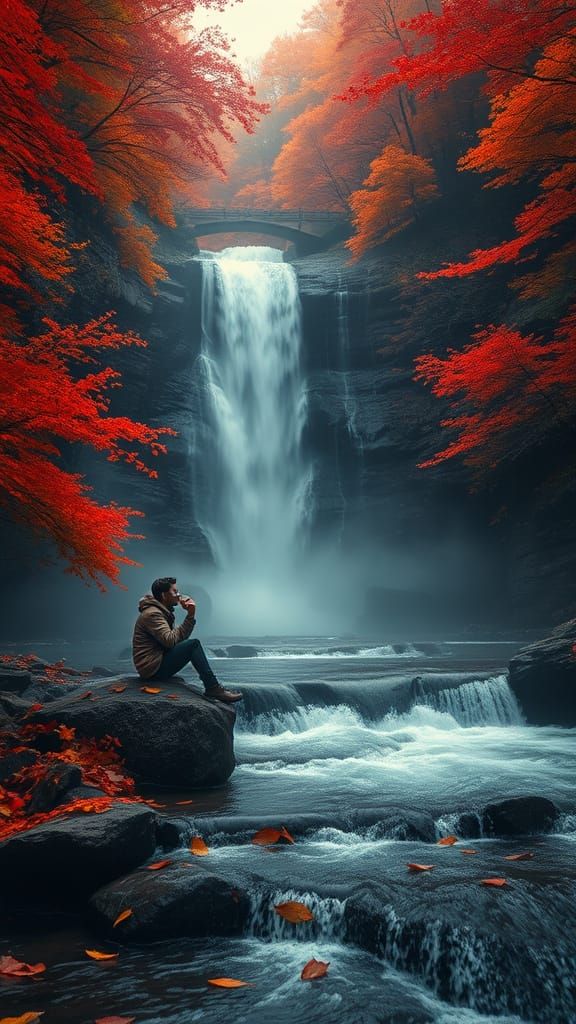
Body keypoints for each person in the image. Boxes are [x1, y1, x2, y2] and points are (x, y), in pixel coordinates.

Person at [132, 576, 243, 703]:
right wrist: (190, 615)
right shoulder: (153, 614)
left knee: (191, 645)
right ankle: (213, 688)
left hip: (155, 663)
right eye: (175, 591)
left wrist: (190, 615)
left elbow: (177, 641)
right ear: (163, 595)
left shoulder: (161, 611)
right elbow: (170, 641)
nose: (178, 595)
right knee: (193, 645)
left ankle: (213, 687)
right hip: (152, 669)